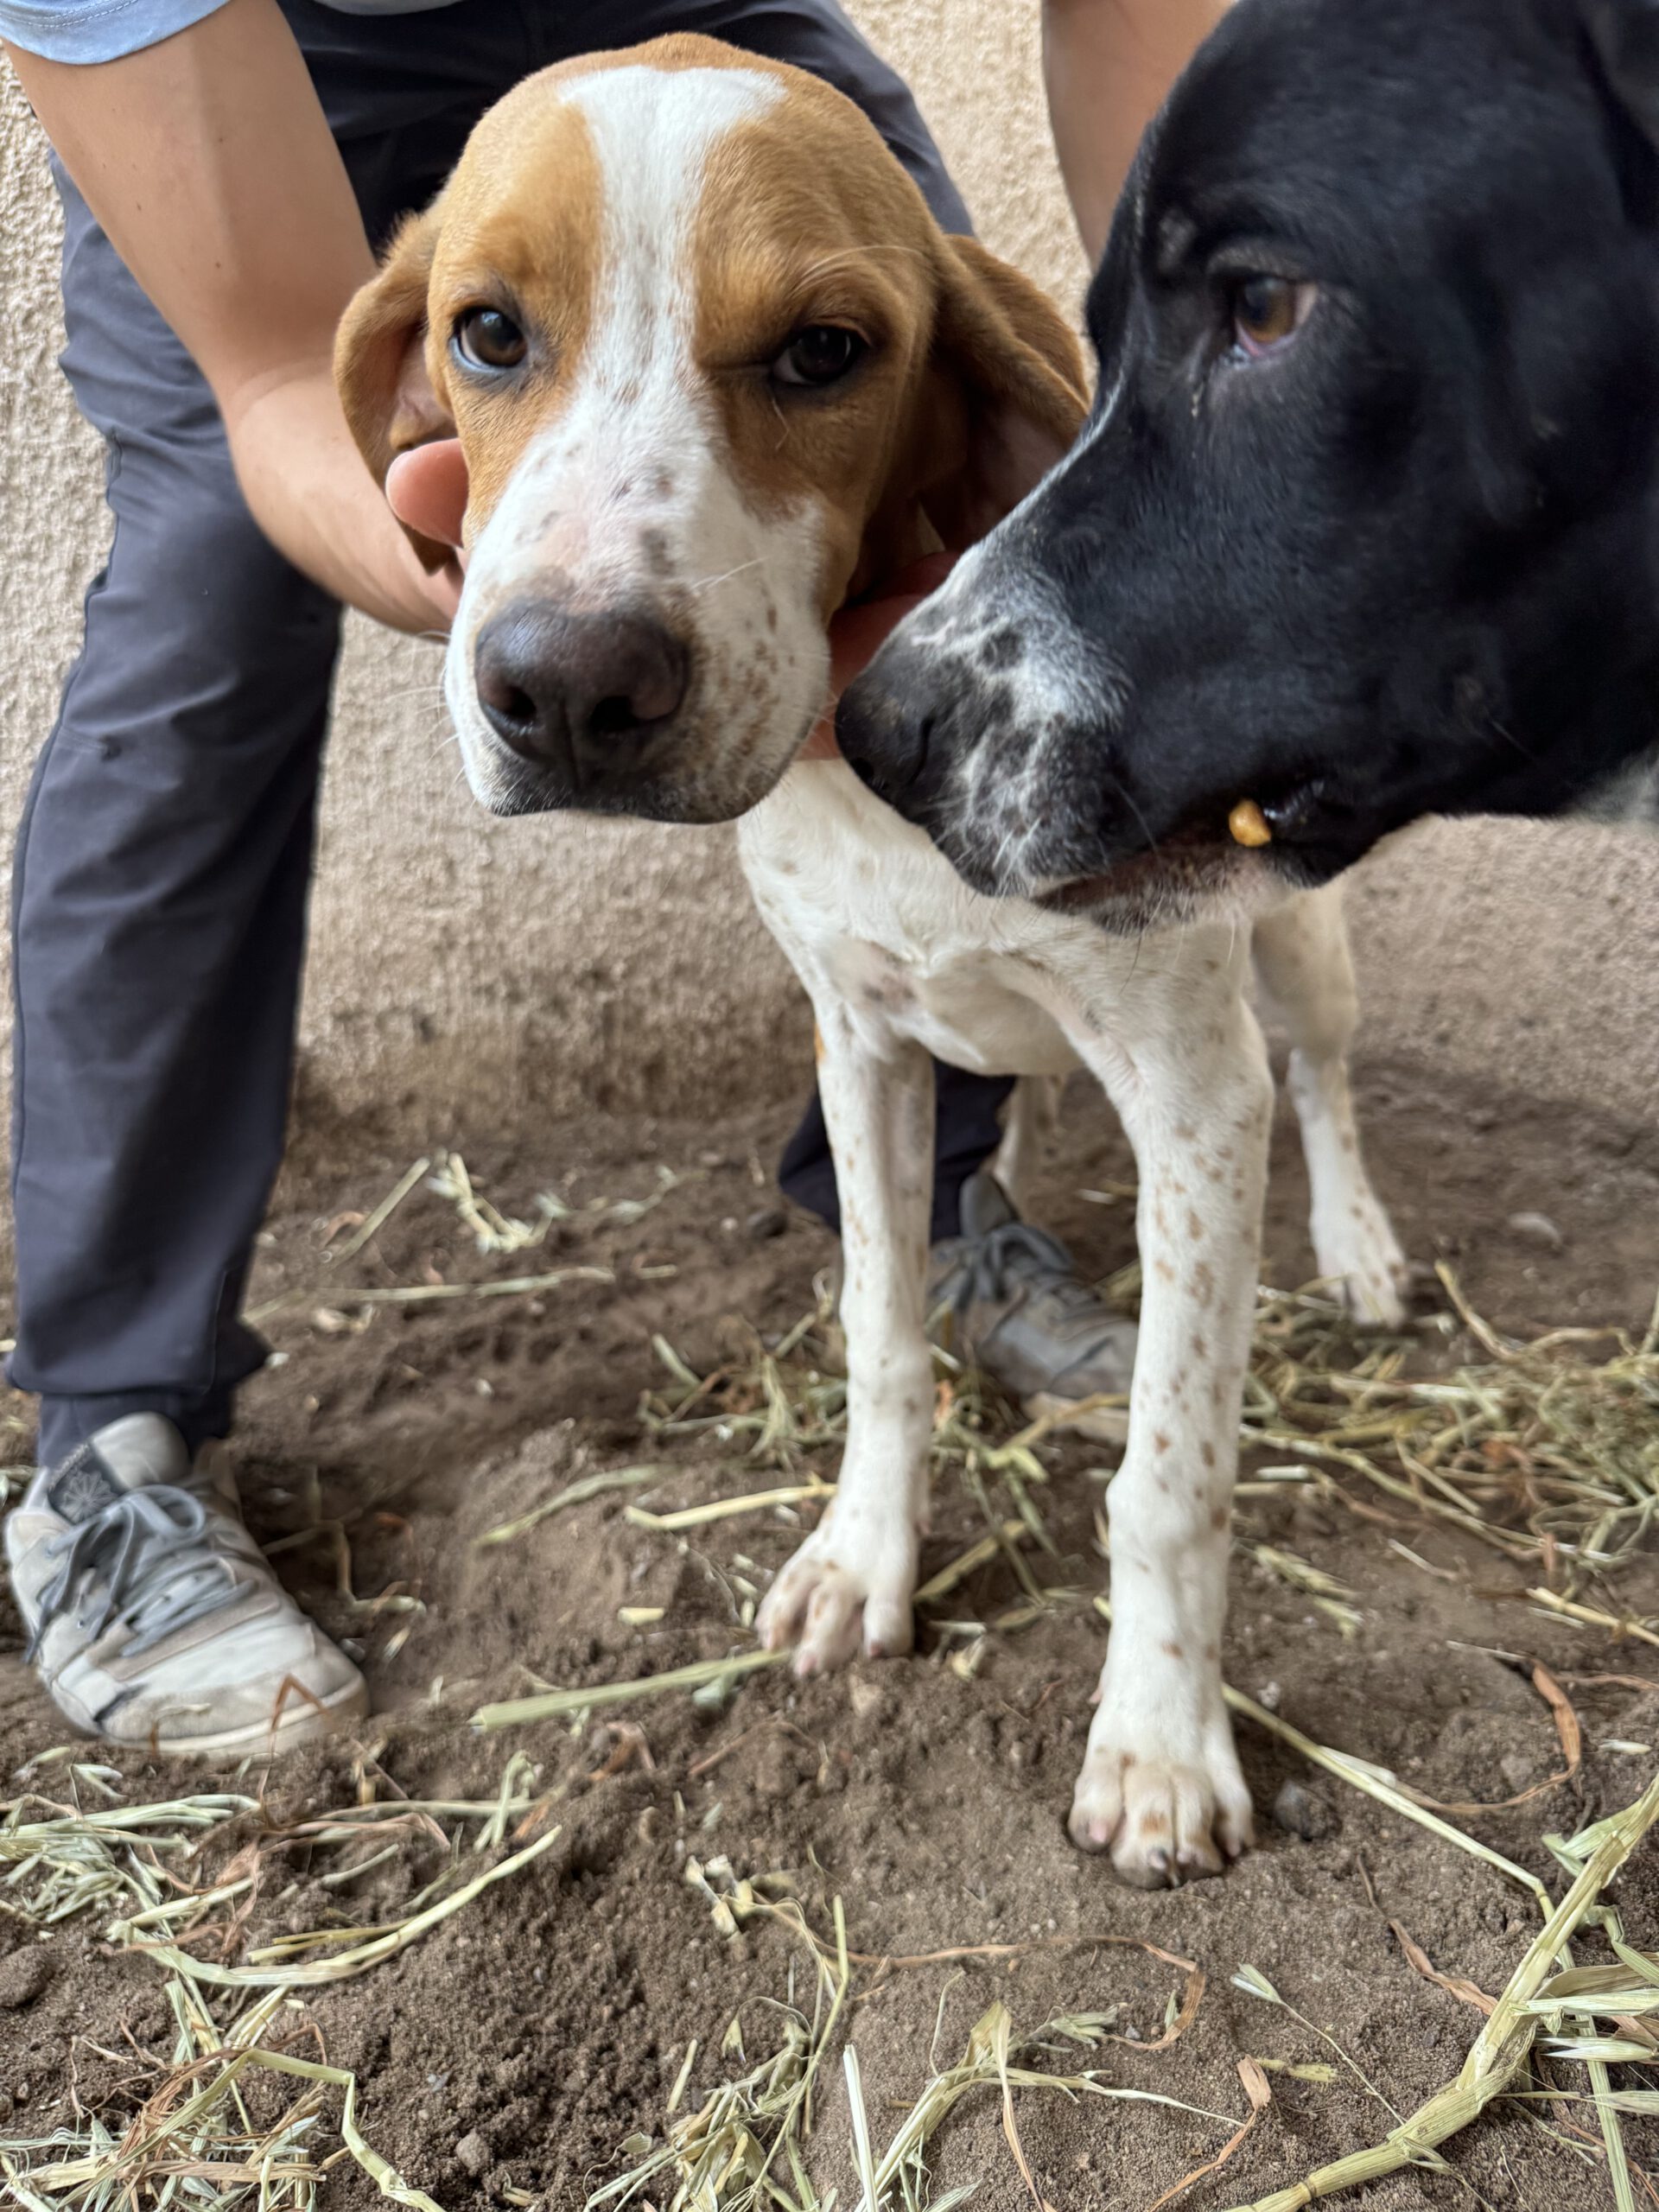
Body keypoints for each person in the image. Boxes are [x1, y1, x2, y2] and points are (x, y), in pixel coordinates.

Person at [0, 0, 1223, 1754]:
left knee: (960, 533)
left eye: (803, 354)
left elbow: (1147, 96)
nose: (591, 645)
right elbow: (277, 378)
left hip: (733, 31)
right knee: (204, 602)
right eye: (489, 337)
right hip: (263, 46)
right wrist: (476, 587)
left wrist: (1198, 415)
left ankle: (947, 1206)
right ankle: (111, 1426)